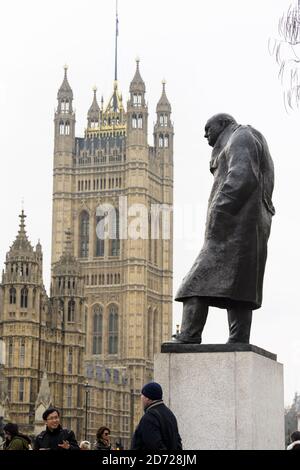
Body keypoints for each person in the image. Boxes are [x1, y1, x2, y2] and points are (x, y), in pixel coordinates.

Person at [174, 113, 275, 344]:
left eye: (208, 129)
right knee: (240, 289)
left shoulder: (240, 137)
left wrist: (219, 211)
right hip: (250, 229)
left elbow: (242, 177)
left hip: (232, 228)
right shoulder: (251, 137)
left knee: (194, 284)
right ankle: (239, 340)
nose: (205, 135)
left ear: (224, 124)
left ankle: (189, 335)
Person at [131, 382, 182, 450]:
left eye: (142, 395)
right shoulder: (170, 414)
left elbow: (154, 445)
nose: (141, 398)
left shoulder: (149, 418)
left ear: (148, 398)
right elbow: (177, 442)